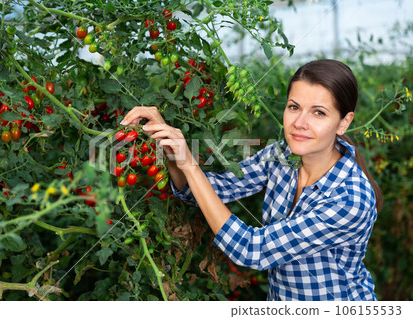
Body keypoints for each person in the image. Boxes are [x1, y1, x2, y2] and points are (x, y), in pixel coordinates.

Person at [120, 59, 382, 301]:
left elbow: (252, 249)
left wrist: (189, 163)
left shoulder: (350, 199)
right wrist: (170, 149)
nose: (299, 123)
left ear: (344, 122)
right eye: (294, 107)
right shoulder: (281, 155)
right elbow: (207, 190)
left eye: (319, 113)